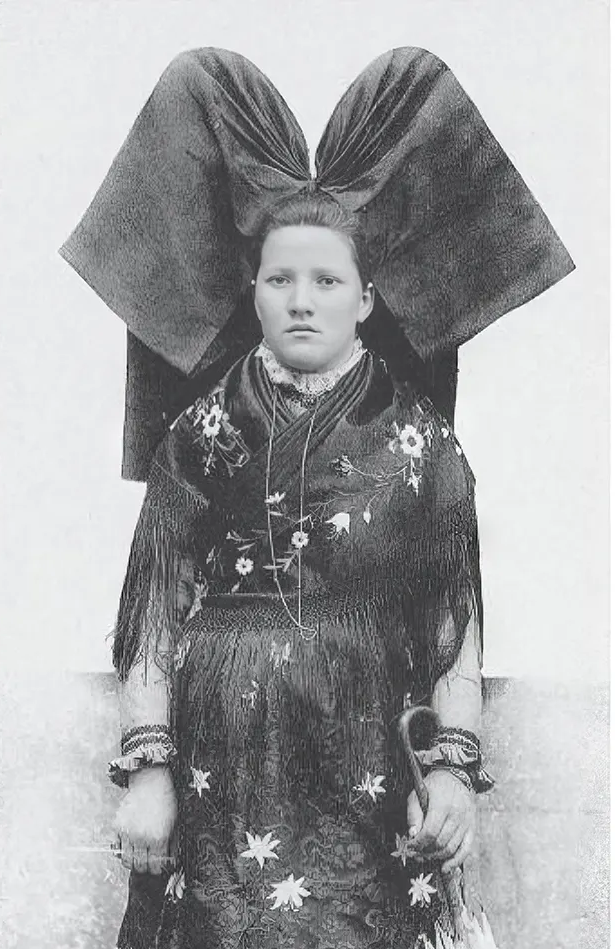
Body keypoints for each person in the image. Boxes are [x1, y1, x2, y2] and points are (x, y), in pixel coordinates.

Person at [59, 48, 573, 948]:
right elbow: (152, 609)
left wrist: (452, 772)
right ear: (252, 294)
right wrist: (148, 769)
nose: (303, 302)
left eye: (327, 281)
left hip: (373, 779)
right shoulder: (201, 435)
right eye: (280, 280)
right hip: (220, 784)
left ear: (367, 299)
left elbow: (452, 619)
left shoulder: (424, 447)